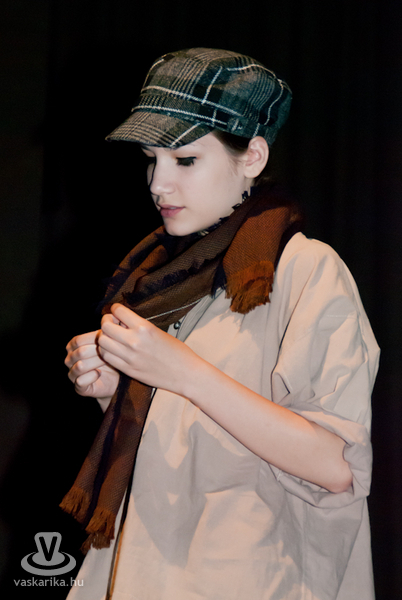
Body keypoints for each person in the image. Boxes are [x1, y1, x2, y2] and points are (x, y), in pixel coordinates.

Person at [62, 48, 380, 600]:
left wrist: (182, 372)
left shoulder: (305, 269)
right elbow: (185, 441)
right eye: (151, 160)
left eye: (185, 160)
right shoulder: (159, 276)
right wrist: (115, 389)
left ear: (252, 155)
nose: (158, 184)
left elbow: (339, 467)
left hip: (251, 578)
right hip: (145, 570)